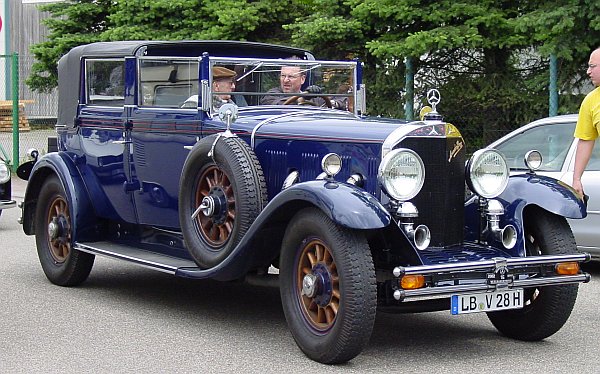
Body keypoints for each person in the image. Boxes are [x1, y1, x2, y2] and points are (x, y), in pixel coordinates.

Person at [573, 47, 600, 197]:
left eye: (592, 66)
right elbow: (585, 140)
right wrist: (576, 179)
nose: (588, 72)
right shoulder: (590, 101)